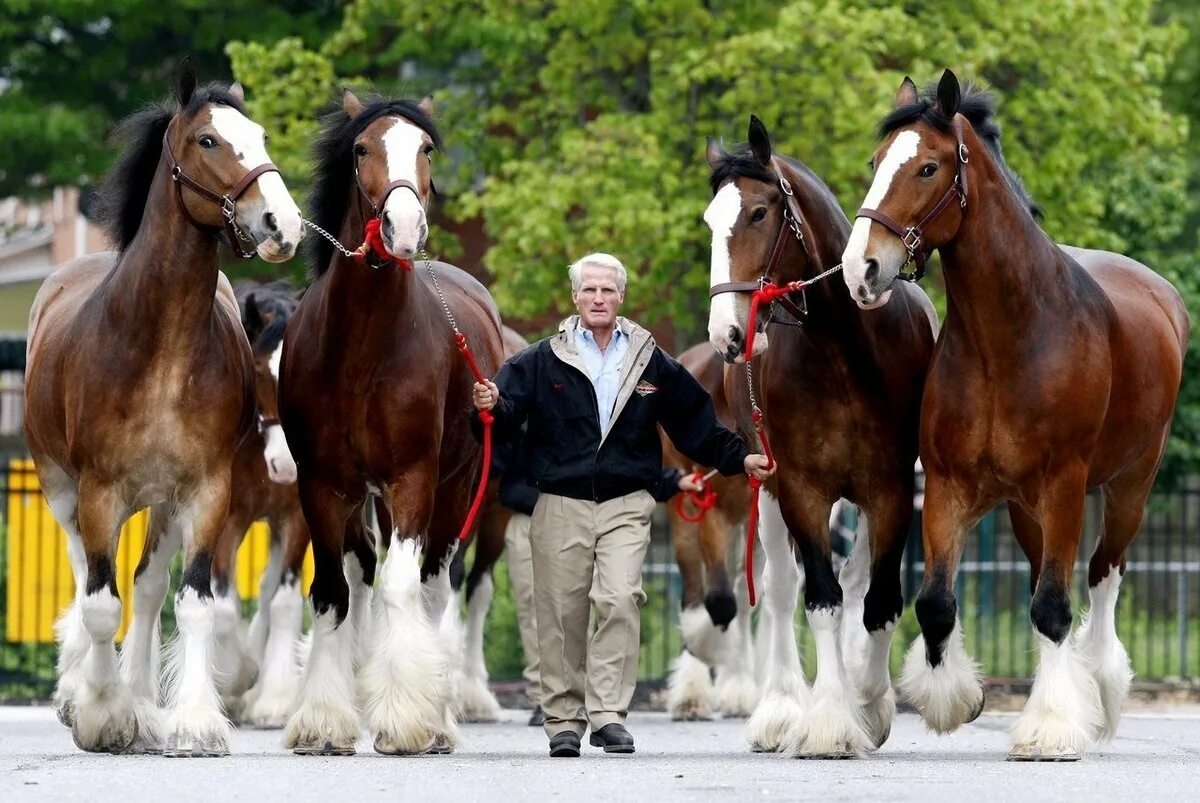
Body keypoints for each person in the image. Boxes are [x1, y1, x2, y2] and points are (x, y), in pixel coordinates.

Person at [473, 252, 773, 757]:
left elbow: (695, 424)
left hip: (626, 502)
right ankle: (564, 720)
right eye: (589, 290)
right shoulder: (539, 360)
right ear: (575, 298)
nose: (598, 298)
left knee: (618, 599)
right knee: (562, 614)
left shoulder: (651, 360)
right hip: (560, 503)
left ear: (621, 297)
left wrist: (739, 458)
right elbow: (505, 419)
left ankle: (608, 714)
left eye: (607, 290)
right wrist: (489, 405)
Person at [496, 430, 706, 728]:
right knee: (539, 612)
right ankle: (547, 698)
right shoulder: (526, 391)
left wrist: (672, 480)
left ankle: (600, 704)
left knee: (601, 604)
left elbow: (625, 458)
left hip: (590, 514)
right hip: (529, 513)